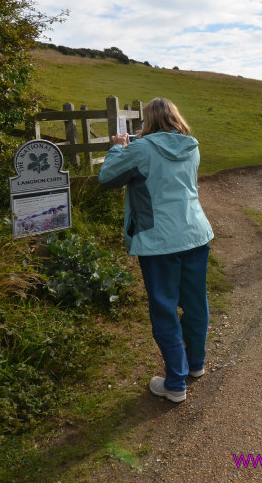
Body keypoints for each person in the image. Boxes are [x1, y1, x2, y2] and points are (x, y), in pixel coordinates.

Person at [98, 97, 214, 403]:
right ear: (175, 117)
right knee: (195, 303)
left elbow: (107, 177)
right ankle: (195, 365)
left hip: (159, 240)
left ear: (147, 121)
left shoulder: (141, 148)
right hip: (195, 234)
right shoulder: (192, 145)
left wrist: (118, 147)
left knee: (164, 309)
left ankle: (175, 383)